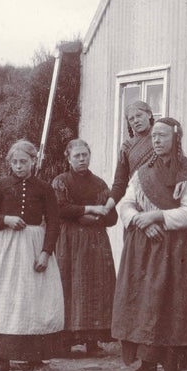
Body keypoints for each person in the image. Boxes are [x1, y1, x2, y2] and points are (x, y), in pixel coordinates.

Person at [111, 118, 187, 371]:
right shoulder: (143, 172)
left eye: (162, 136)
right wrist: (139, 222)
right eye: (154, 136)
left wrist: (155, 217)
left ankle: (172, 368)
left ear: (176, 138)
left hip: (177, 250)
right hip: (146, 248)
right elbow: (127, 204)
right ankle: (147, 365)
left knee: (173, 305)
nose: (156, 140)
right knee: (145, 305)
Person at [0, 139, 64, 371]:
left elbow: (53, 222)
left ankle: (34, 355)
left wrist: (45, 252)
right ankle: (2, 355)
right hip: (5, 248)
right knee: (4, 297)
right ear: (10, 163)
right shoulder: (1, 186)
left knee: (32, 299)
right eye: (15, 162)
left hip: (33, 247)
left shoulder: (44, 188)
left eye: (24, 161)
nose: (19, 166)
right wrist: (5, 220)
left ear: (34, 161)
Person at [52, 139, 118, 356]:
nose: (81, 159)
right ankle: (65, 341)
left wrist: (90, 219)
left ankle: (93, 342)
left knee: (96, 286)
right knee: (68, 284)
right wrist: (88, 209)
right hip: (69, 242)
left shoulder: (99, 184)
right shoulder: (60, 181)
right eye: (77, 156)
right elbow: (60, 209)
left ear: (90, 156)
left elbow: (112, 218)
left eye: (85, 155)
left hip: (96, 243)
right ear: (68, 158)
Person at [104, 100, 156, 211]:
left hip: (162, 203)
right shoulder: (126, 148)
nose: (136, 121)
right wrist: (106, 208)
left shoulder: (161, 139)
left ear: (149, 114)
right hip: (137, 205)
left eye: (139, 115)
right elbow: (120, 184)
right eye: (131, 119)